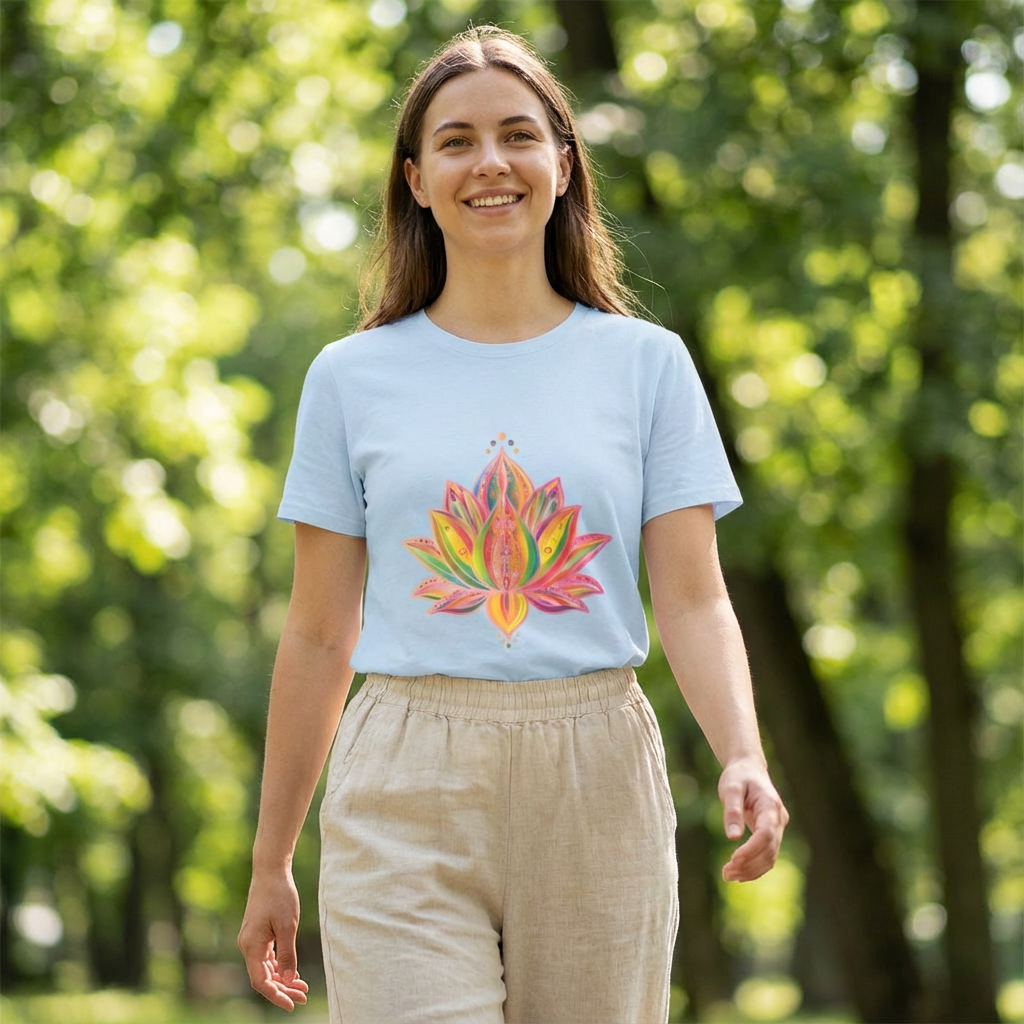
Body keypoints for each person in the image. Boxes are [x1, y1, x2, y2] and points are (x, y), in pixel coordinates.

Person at [237, 25, 788, 1024]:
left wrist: (741, 752)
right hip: (404, 771)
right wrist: (271, 857)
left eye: (517, 135)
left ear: (562, 165)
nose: (489, 162)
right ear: (415, 179)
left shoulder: (647, 364)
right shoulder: (349, 377)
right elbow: (319, 632)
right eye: (454, 141)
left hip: (597, 774)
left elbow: (695, 597)